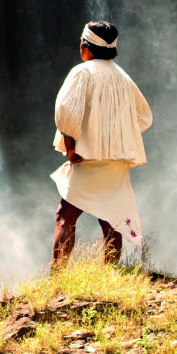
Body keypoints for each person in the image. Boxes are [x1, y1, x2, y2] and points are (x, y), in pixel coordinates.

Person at [51, 21, 153, 268]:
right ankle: (110, 274)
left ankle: (57, 276)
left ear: (85, 46)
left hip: (87, 159)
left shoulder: (83, 72)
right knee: (112, 219)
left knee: (65, 217)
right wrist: (117, 138)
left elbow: (66, 110)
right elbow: (144, 117)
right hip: (116, 160)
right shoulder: (123, 77)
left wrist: (72, 146)